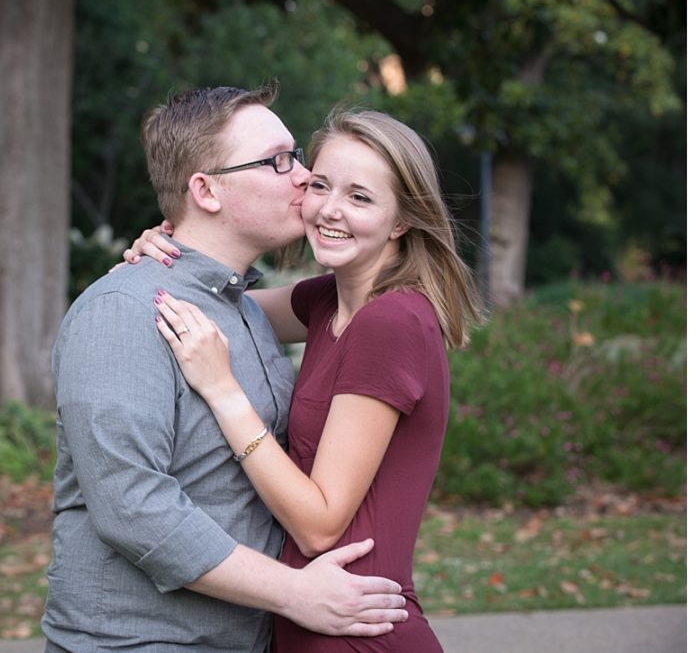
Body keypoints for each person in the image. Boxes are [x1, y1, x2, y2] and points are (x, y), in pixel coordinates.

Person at [42, 86, 409, 652]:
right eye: (280, 161)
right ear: (206, 190)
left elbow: (372, 286)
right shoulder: (123, 313)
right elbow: (132, 508)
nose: (305, 177)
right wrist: (295, 593)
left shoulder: (245, 309)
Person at [137, 107, 486, 651]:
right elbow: (208, 306)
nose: (329, 210)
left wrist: (224, 390)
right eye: (320, 185)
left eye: (360, 197)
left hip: (356, 630)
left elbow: (320, 525)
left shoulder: (390, 323)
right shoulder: (328, 301)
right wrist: (162, 252)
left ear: (401, 221)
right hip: (310, 619)